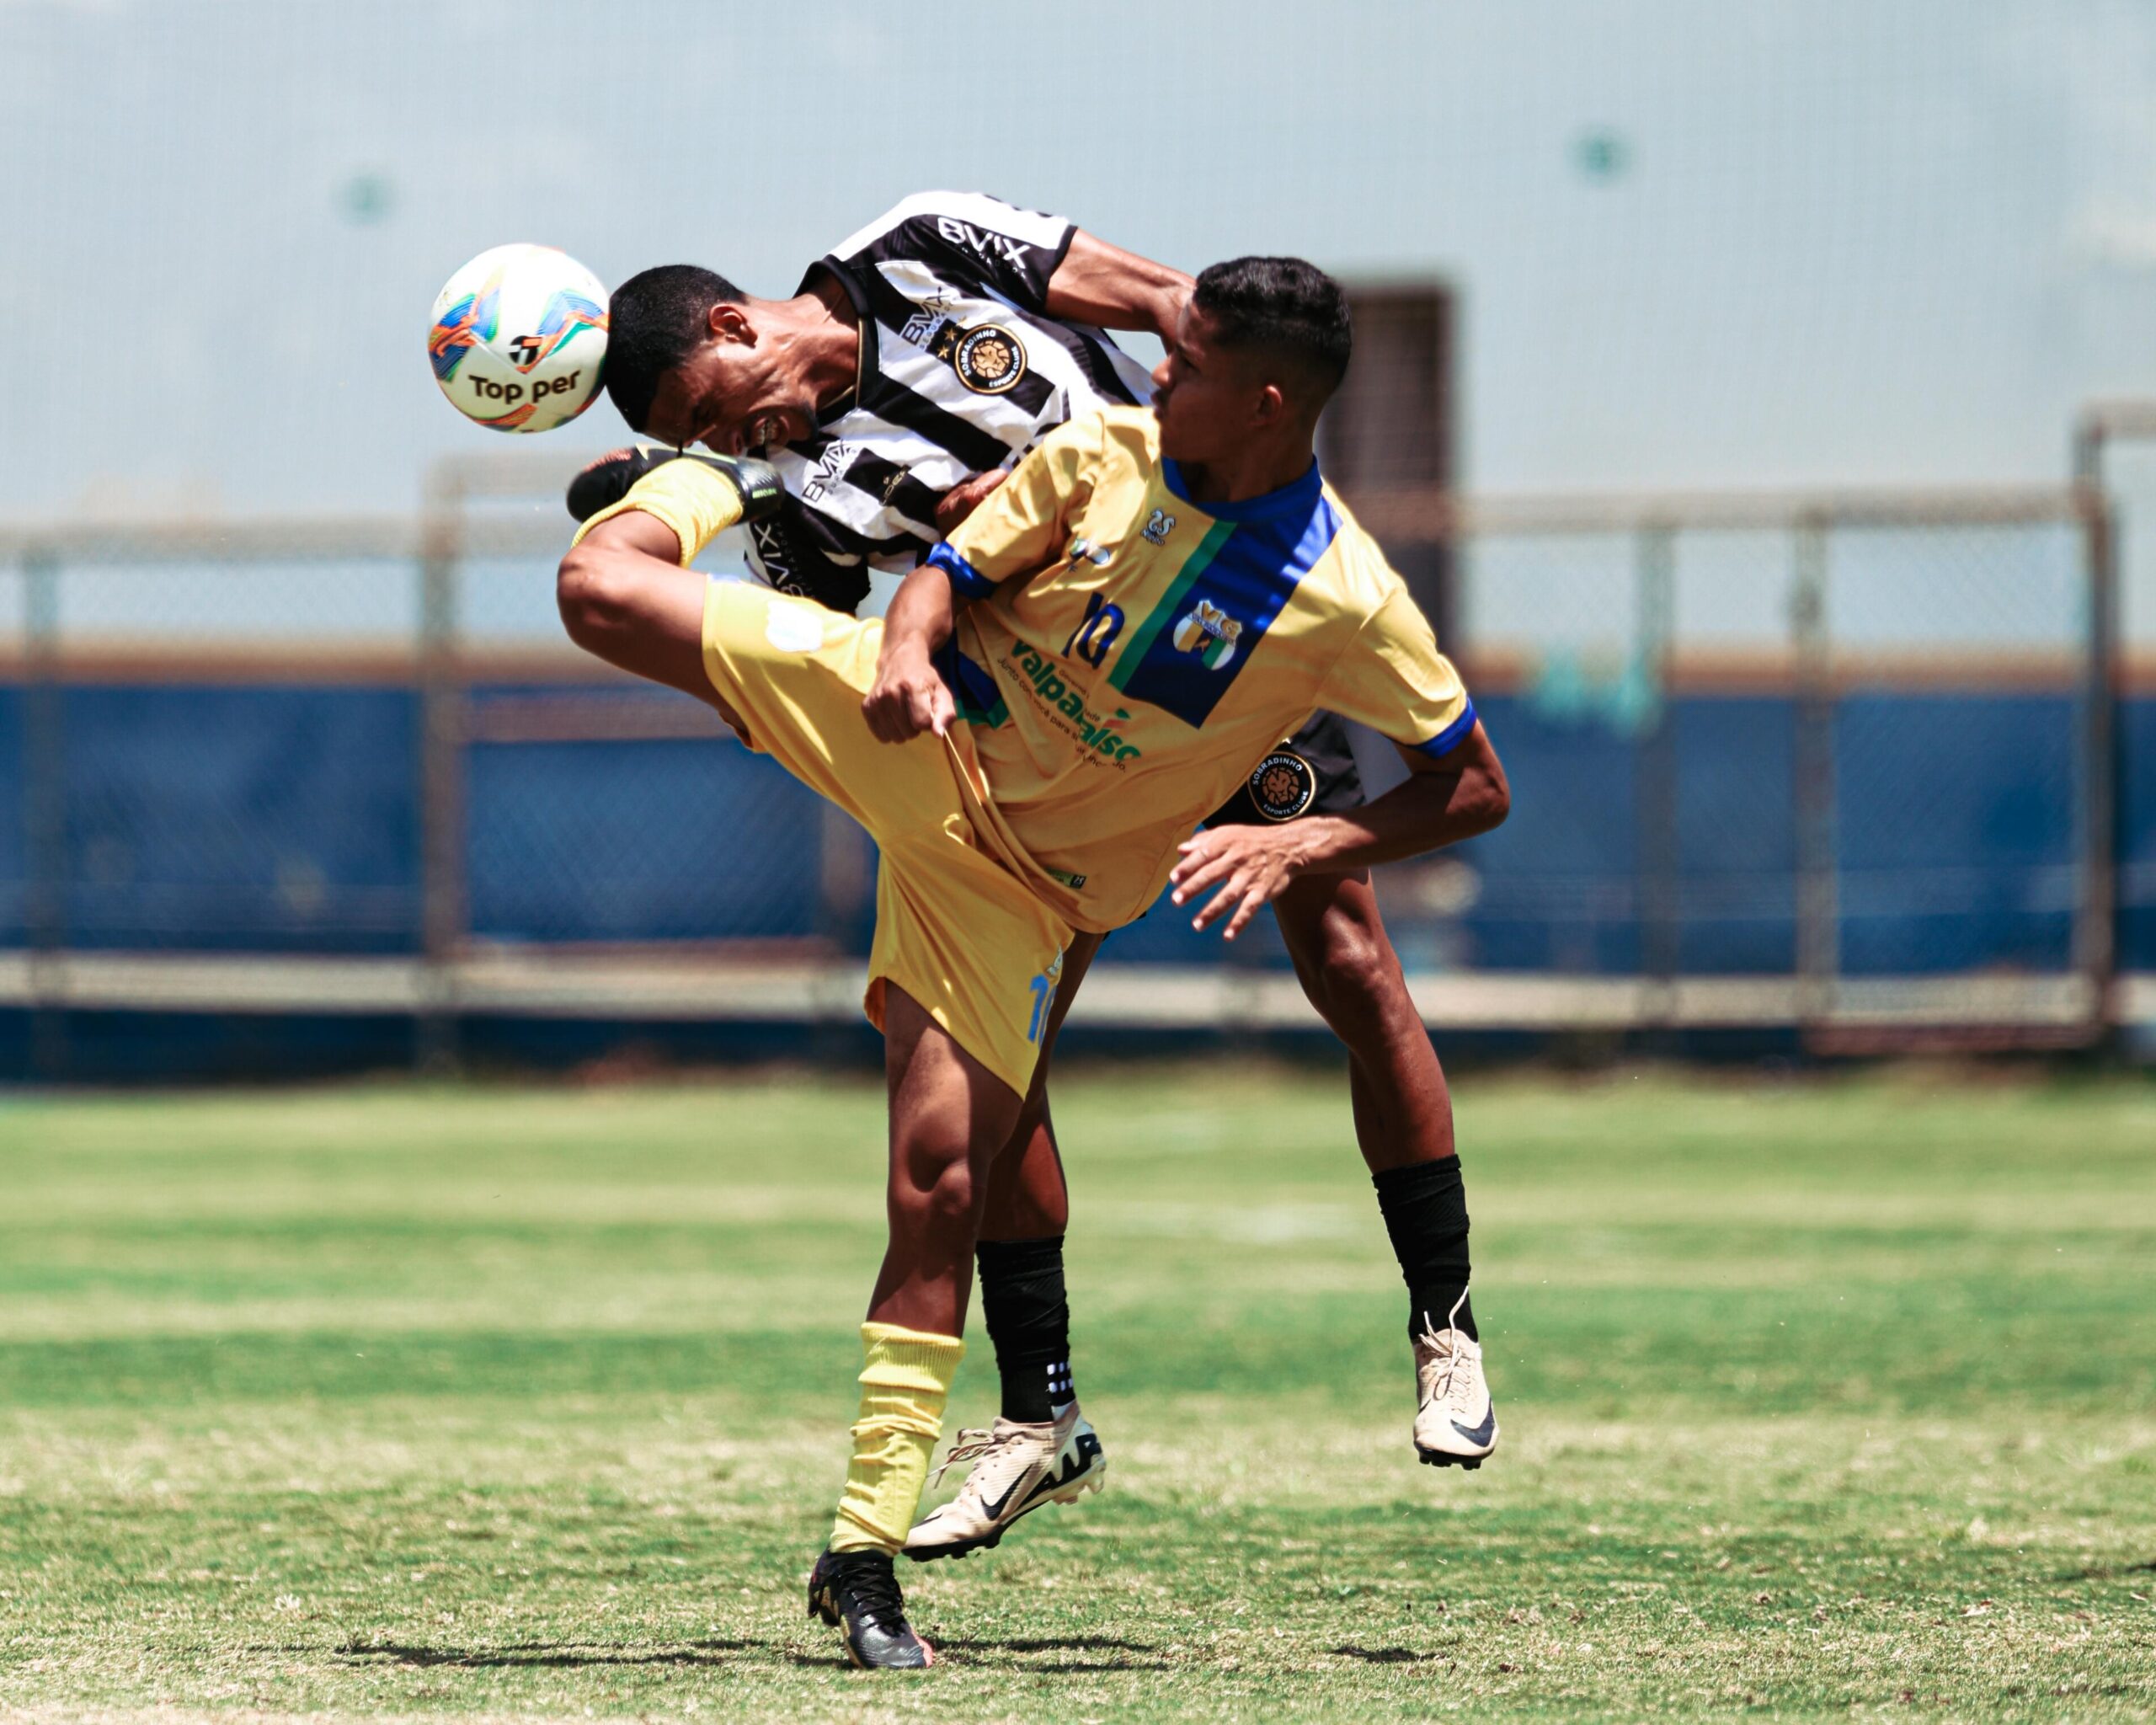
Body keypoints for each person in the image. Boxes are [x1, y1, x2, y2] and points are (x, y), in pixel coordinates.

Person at [553, 254, 1511, 1668]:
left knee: (946, 1179)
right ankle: (1022, 1426)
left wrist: (1304, 849)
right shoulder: (1096, 453)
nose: (1148, 371)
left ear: (1256, 399)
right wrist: (904, 632)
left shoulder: (1347, 604)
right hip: (922, 741)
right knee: (595, 586)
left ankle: (863, 1554)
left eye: (1181, 367)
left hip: (1026, 889)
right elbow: (944, 572)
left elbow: (1474, 784)